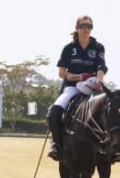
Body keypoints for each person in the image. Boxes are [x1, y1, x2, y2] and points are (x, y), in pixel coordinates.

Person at [46, 15, 108, 161]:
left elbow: (101, 67)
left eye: (89, 27)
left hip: (93, 87)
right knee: (54, 111)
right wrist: (77, 76)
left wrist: (99, 82)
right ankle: (56, 145)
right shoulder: (69, 48)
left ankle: (111, 149)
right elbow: (61, 72)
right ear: (77, 28)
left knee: (111, 110)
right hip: (73, 88)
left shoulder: (98, 47)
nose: (86, 29)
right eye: (83, 26)